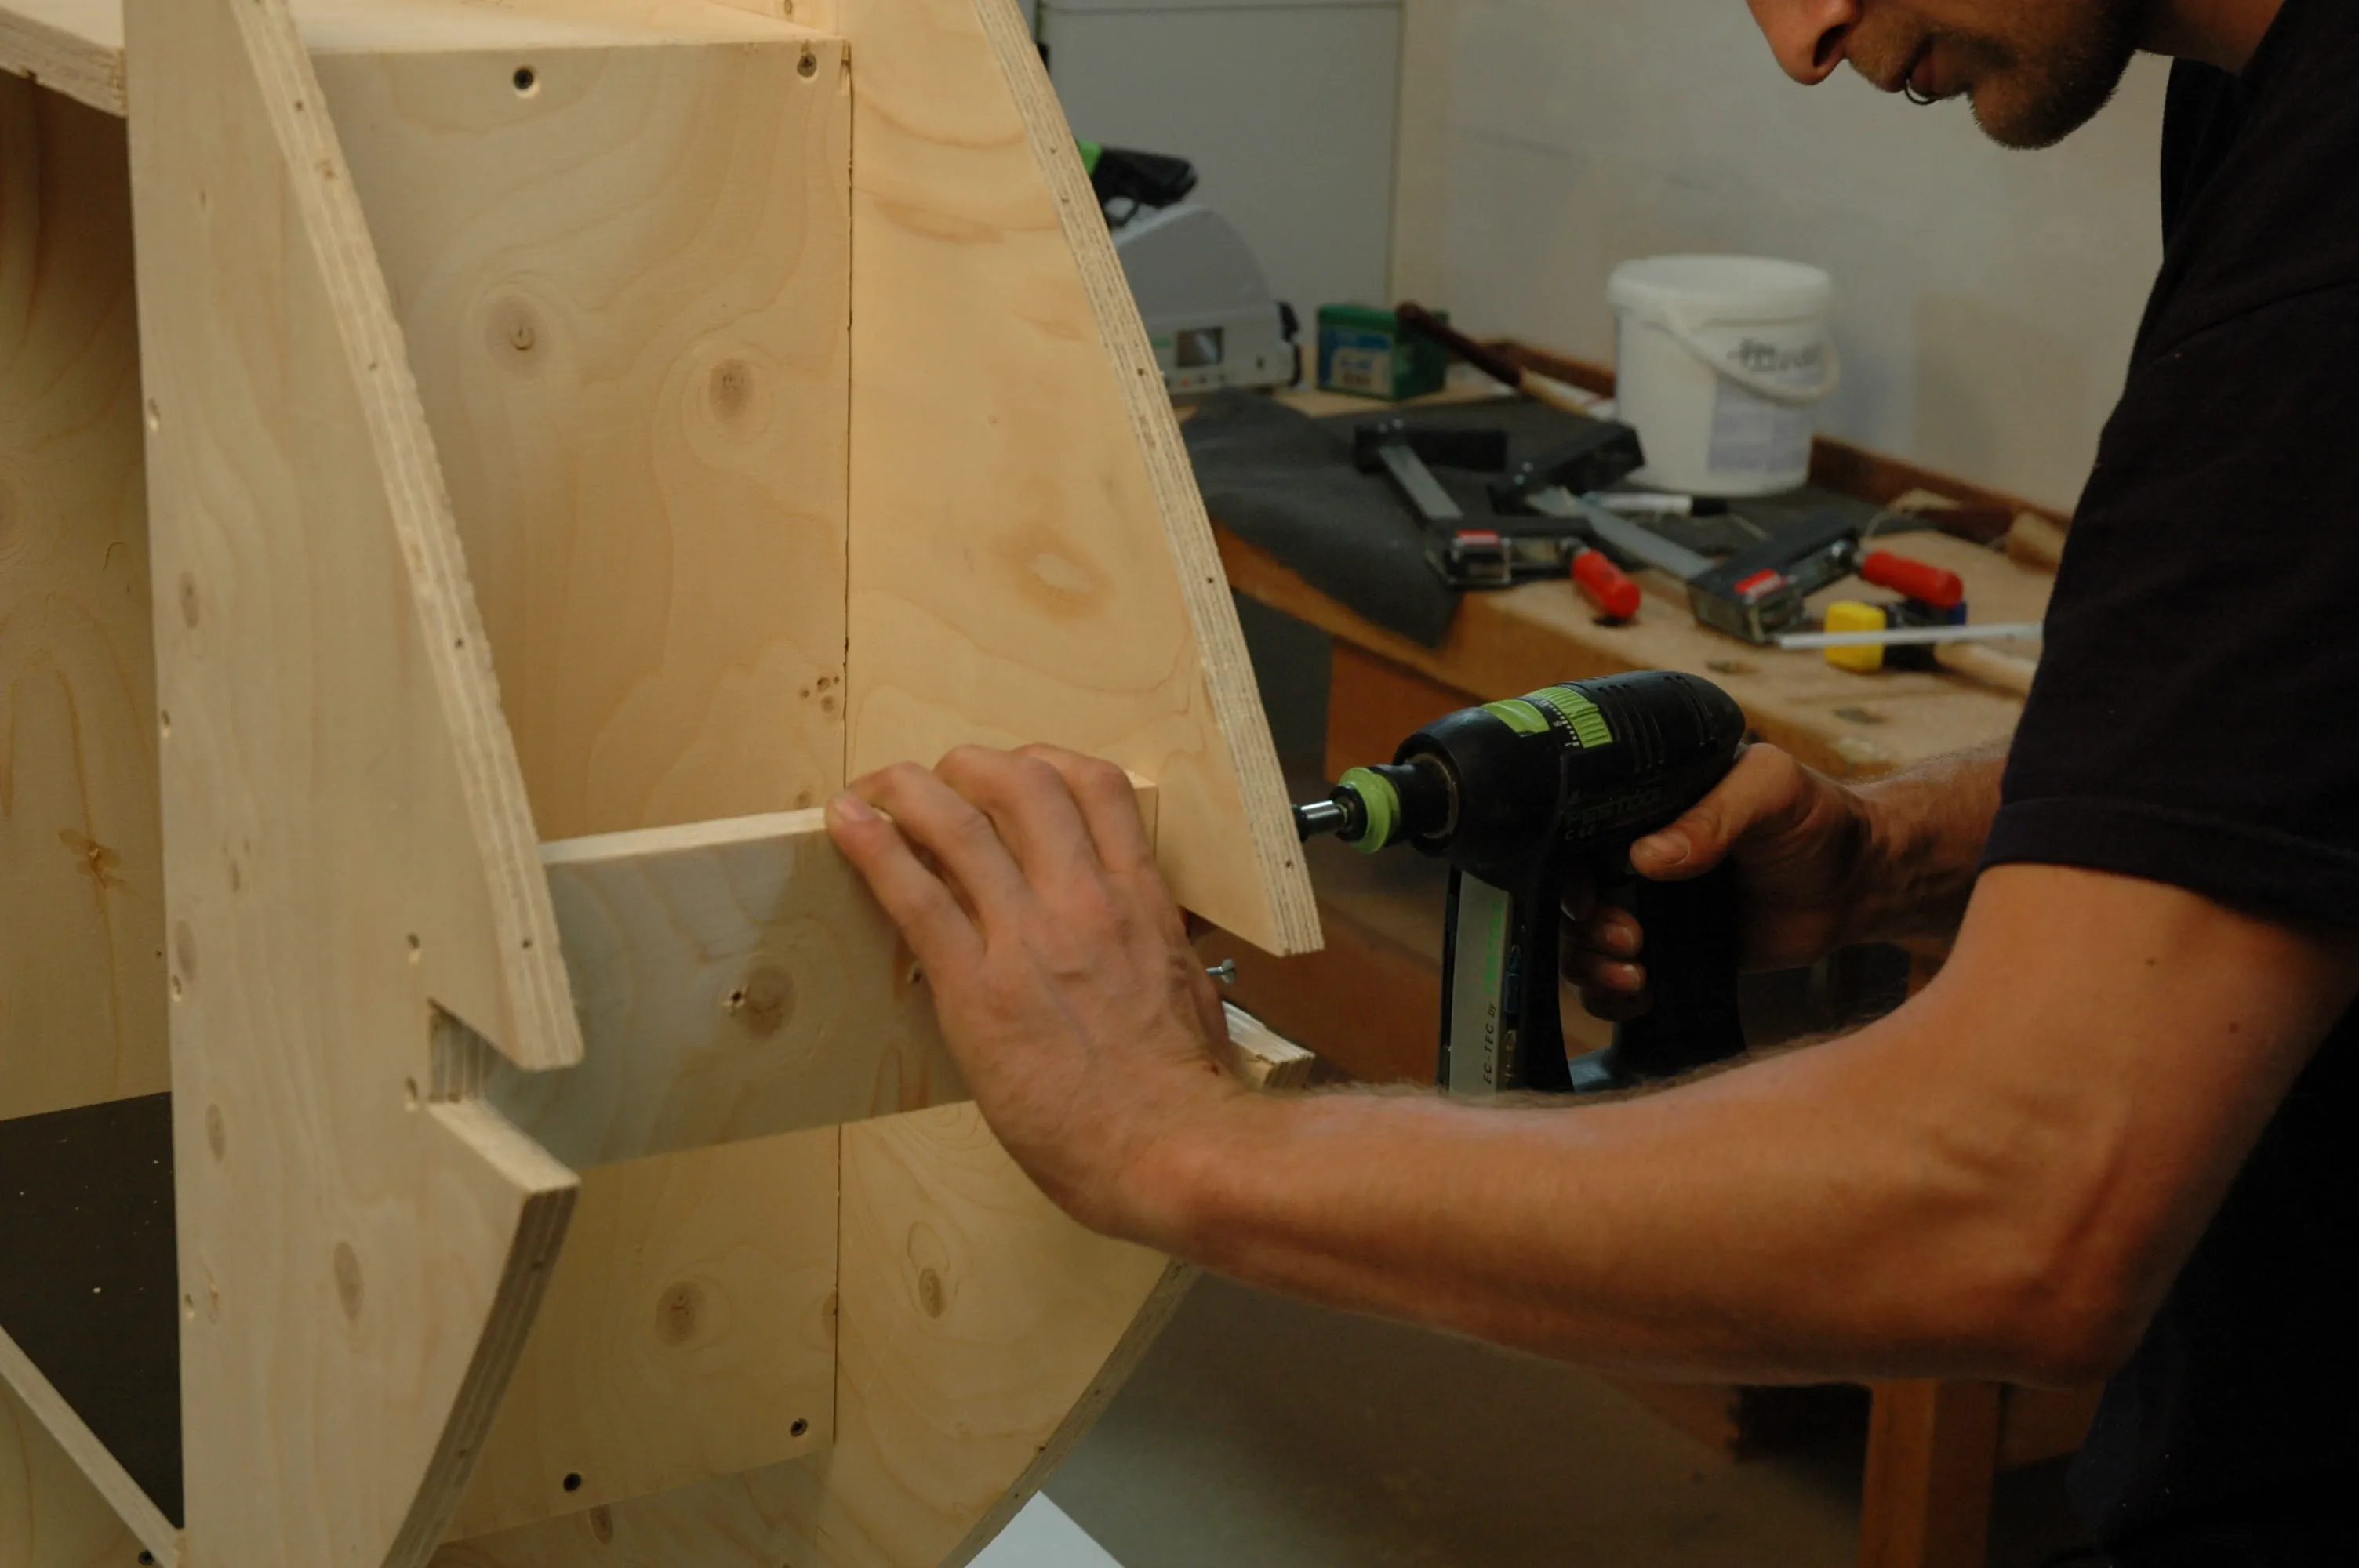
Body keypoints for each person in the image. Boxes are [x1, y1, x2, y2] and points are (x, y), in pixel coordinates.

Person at [824, 0, 2359, 1559]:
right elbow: (2276, 727)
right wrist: (1907, 849)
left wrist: (1166, 1139)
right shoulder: (2250, 103)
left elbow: (2019, 1202)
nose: (1802, 38)